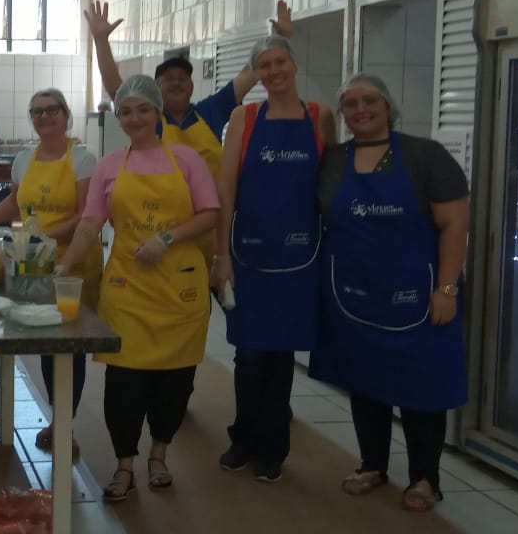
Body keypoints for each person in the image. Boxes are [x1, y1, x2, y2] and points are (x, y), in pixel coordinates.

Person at [308, 74, 469, 513]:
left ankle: (425, 478)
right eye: (351, 104)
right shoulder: (334, 160)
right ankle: (373, 464)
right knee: (365, 383)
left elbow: (455, 223)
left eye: (369, 101)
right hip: (353, 293)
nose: (360, 110)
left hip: (417, 294)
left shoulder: (424, 156)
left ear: (387, 105)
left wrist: (447, 289)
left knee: (422, 388)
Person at [56, 75, 219, 502]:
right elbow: (91, 222)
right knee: (123, 382)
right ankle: (124, 464)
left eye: (142, 109)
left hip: (179, 287)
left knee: (175, 381)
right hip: (127, 286)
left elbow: (210, 214)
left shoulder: (187, 160)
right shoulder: (111, 164)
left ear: (158, 112)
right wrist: (66, 266)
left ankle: (159, 455)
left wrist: (166, 239)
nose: (134, 118)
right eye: (126, 111)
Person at [212, 35, 336, 483]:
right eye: (264, 64)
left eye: (280, 61)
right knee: (248, 356)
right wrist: (220, 254)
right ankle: (243, 437)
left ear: (294, 63)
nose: (273, 70)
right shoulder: (243, 118)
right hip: (249, 254)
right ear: (257, 73)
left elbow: (332, 185)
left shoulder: (320, 118)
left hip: (301, 256)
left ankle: (273, 447)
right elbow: (225, 189)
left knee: (281, 357)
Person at [0, 89, 101, 452]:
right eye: (36, 112)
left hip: (73, 260)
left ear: (65, 115)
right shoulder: (24, 159)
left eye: (51, 110)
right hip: (33, 259)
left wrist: (43, 236)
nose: (43, 117)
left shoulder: (83, 159)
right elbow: (13, 203)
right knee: (44, 341)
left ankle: (63, 424)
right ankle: (57, 415)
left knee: (69, 345)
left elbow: (85, 214)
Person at [85, 0, 293, 178]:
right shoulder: (150, 119)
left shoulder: (211, 111)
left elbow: (251, 73)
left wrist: (279, 38)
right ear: (156, 89)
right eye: (169, 79)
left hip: (210, 219)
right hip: (163, 216)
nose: (176, 83)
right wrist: (101, 40)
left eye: (183, 78)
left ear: (192, 86)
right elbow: (116, 89)